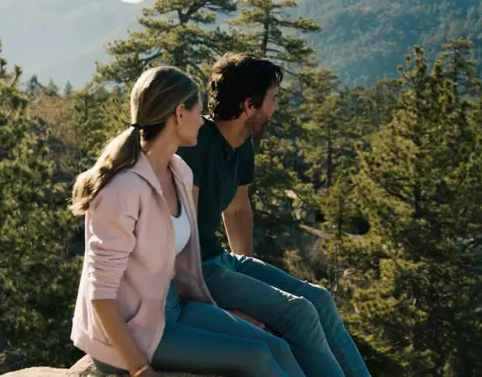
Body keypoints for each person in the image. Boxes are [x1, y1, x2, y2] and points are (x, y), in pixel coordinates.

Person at [69, 66, 305, 377]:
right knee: (256, 356)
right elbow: (101, 294)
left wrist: (221, 315)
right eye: (198, 110)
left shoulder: (179, 171)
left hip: (175, 311)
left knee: (276, 346)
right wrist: (140, 369)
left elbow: (180, 267)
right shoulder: (122, 189)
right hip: (132, 335)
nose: (203, 120)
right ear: (180, 113)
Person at [177, 53, 372, 377]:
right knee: (299, 313)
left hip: (221, 261)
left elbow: (237, 209)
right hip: (197, 268)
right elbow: (179, 236)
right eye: (273, 99)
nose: (276, 108)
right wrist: (230, 302)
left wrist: (246, 280)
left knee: (319, 299)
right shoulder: (198, 146)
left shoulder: (242, 146)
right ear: (249, 105)